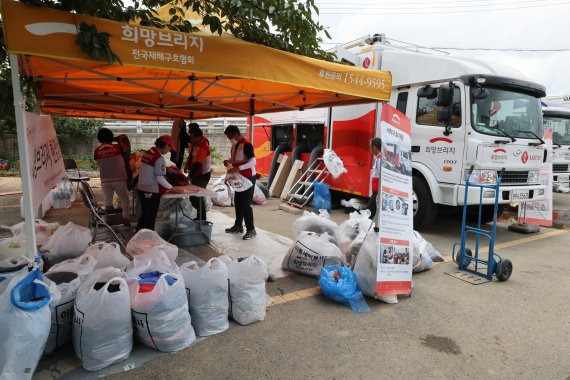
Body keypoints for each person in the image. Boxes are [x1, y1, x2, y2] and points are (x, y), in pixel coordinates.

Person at [136, 135, 181, 231]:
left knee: (144, 216)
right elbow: (160, 178)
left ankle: (138, 237)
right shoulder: (159, 158)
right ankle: (148, 241)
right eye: (170, 148)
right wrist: (172, 188)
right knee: (150, 218)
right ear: (167, 145)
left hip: (141, 188)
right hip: (151, 191)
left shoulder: (148, 152)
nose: (169, 151)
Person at [223, 125, 257, 240]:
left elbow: (253, 161)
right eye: (228, 137)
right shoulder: (234, 146)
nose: (230, 139)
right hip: (239, 178)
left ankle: (251, 230)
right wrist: (229, 162)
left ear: (237, 134)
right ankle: (238, 226)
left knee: (246, 204)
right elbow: (234, 159)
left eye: (231, 137)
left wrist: (239, 168)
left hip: (248, 178)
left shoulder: (247, 145)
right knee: (238, 202)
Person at [93, 128, 130, 224]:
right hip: (119, 178)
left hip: (104, 180)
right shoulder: (118, 147)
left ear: (99, 138)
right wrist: (115, 139)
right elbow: (126, 151)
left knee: (107, 200)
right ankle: (125, 219)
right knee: (124, 199)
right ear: (111, 137)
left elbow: (99, 163)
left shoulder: (96, 151)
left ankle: (109, 220)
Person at [184, 123, 212, 221]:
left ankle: (202, 219)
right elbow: (191, 156)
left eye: (191, 137)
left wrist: (189, 176)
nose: (190, 139)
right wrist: (186, 166)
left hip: (202, 175)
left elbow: (198, 164)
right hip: (196, 174)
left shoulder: (203, 146)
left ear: (198, 136)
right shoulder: (195, 143)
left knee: (197, 197)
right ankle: (200, 217)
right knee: (194, 197)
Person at [367, 137, 382, 220]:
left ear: (374, 147)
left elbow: (381, 175)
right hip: (377, 191)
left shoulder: (380, 159)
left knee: (368, 212)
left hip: (377, 192)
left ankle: (363, 229)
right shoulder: (379, 158)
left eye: (370, 146)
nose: (369, 149)